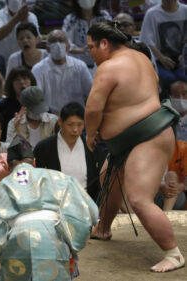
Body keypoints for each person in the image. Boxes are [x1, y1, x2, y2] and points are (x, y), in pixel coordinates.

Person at [85, 21, 184, 272]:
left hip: (147, 136)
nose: (90, 53)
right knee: (110, 176)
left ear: (104, 43)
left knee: (139, 199)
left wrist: (91, 134)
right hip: (137, 137)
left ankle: (173, 254)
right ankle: (103, 229)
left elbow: (93, 107)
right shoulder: (142, 59)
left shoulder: (108, 67)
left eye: (91, 47)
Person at [0, 135, 98, 281]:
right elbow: (90, 210)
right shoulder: (58, 177)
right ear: (34, 162)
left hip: (16, 239)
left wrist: (1, 252)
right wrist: (71, 238)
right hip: (53, 236)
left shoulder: (1, 187)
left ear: (9, 166)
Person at [33, 102, 106, 203]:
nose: (75, 130)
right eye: (70, 124)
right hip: (56, 204)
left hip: (87, 203)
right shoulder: (43, 148)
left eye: (80, 124)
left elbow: (100, 181)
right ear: (60, 122)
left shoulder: (91, 146)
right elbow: (38, 181)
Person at [32, 29, 93, 115]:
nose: (58, 44)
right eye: (53, 41)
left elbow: (91, 93)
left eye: (61, 40)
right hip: (49, 118)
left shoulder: (80, 66)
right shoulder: (38, 69)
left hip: (77, 118)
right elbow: (37, 99)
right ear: (47, 48)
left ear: (68, 47)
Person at [139, 0, 187, 91]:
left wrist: (184, 55)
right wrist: (161, 57)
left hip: (183, 59)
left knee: (184, 77)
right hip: (160, 61)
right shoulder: (152, 14)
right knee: (168, 79)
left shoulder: (185, 10)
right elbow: (147, 40)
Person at [0, 0, 39, 75]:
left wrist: (25, 22)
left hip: (20, 62)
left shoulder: (31, 17)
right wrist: (16, 18)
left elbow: (37, 40)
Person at [62, 0, 111, 72]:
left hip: (101, 64)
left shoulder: (104, 16)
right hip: (77, 65)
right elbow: (65, 42)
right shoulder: (71, 19)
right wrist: (81, 50)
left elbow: (111, 37)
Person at [0, 67, 36, 141]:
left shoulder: (39, 105)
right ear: (11, 84)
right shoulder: (0, 107)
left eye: (25, 78)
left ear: (31, 82)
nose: (22, 82)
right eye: (17, 80)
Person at [154, 139, 187, 211]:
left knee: (171, 175)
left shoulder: (182, 147)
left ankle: (166, 213)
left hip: (175, 196)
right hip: (150, 194)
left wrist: (181, 187)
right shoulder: (146, 149)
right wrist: (160, 187)